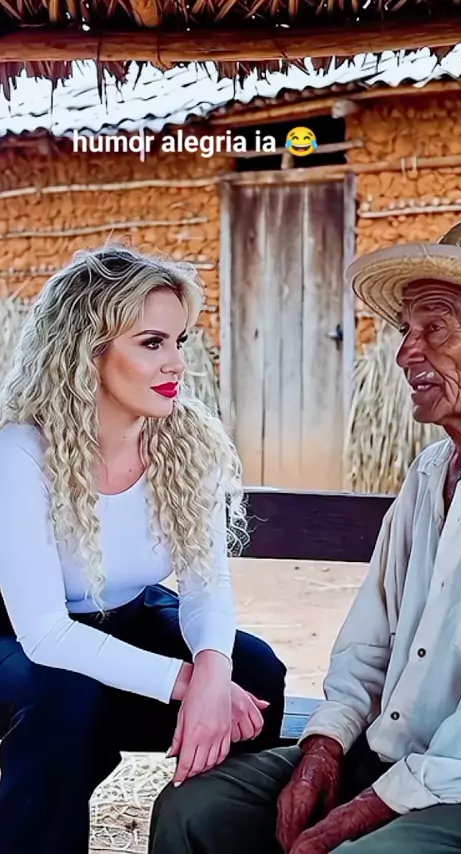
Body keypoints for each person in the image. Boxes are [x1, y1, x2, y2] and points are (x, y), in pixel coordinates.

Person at [149, 219, 461, 854]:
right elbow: (369, 640)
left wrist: (370, 808)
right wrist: (324, 748)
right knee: (196, 810)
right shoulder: (430, 474)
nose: (405, 354)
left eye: (435, 328)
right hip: (385, 758)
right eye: (405, 331)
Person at [0, 244, 287, 854]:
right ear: (88, 348)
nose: (177, 363)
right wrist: (188, 684)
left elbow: (207, 586)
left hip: (125, 619)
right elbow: (45, 634)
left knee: (254, 673)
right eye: (152, 342)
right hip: (16, 642)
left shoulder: (189, 441)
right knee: (64, 701)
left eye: (180, 341)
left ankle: (201, 831)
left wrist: (213, 670)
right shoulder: (21, 451)